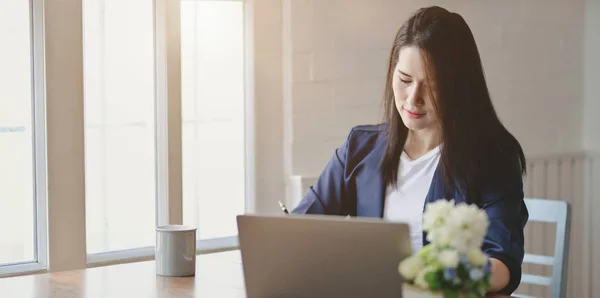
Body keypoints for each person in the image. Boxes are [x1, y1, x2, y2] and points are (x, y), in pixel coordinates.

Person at [291, 6, 528, 296]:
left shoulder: (493, 158)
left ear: (459, 88)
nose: (413, 99)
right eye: (404, 80)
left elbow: (502, 263)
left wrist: (439, 278)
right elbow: (301, 227)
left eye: (433, 86)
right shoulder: (360, 147)